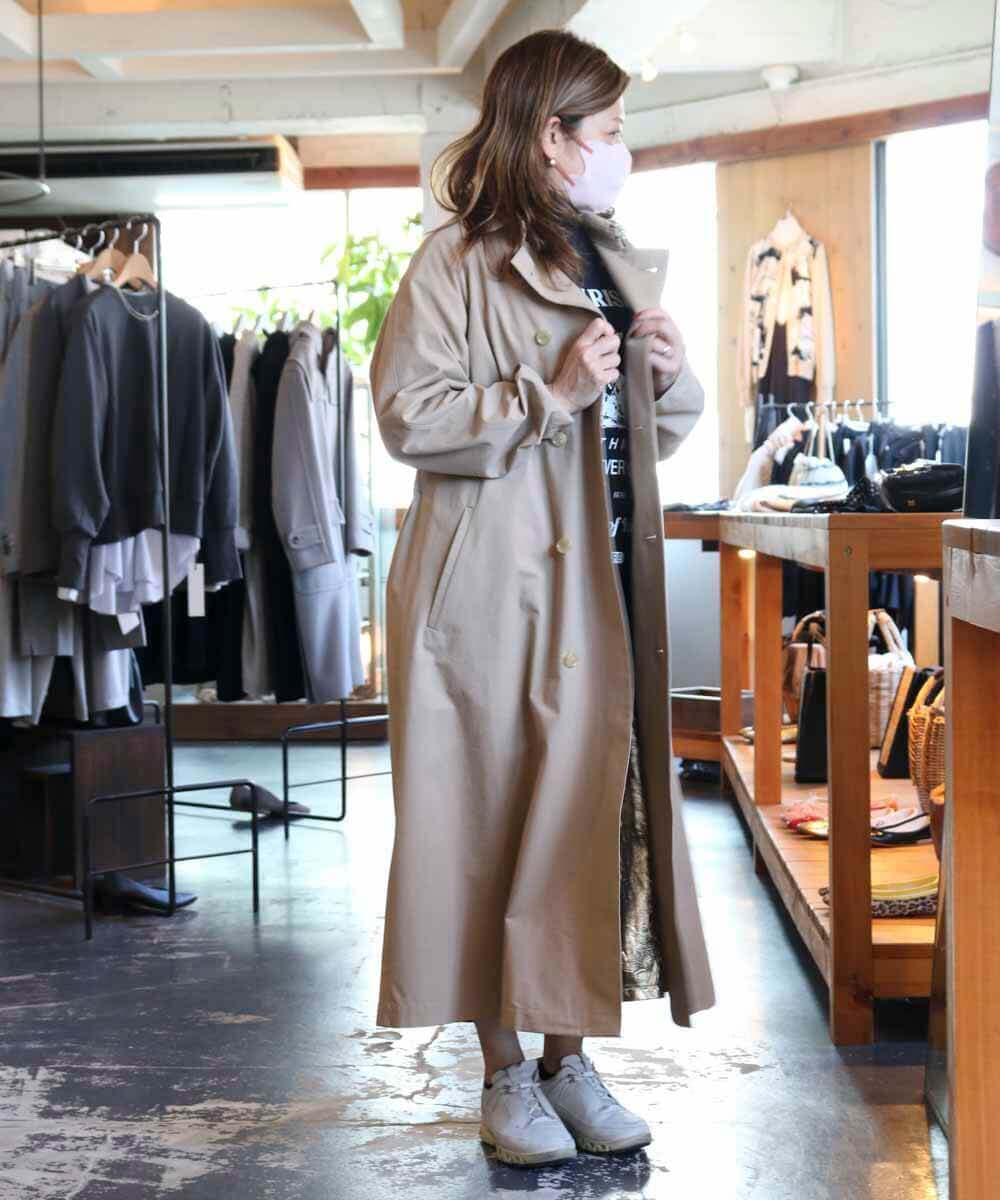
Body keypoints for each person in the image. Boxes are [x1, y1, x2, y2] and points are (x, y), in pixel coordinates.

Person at [370, 29, 716, 1168]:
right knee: (491, 820)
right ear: (552, 137)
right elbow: (409, 417)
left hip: (605, 585)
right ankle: (505, 1072)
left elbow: (643, 434)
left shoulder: (611, 259)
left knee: (586, 823)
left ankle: (570, 1062)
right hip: (493, 590)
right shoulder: (453, 263)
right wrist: (546, 391)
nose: (621, 149)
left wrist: (667, 379)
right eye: (607, 130)